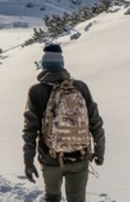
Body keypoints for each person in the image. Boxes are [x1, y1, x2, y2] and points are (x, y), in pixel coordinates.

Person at [22, 43, 105, 202]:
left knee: (52, 198)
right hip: (79, 157)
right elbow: (96, 123)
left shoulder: (36, 91)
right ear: (62, 63)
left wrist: (28, 160)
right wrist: (100, 151)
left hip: (50, 158)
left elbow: (30, 131)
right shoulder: (80, 87)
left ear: (43, 63)